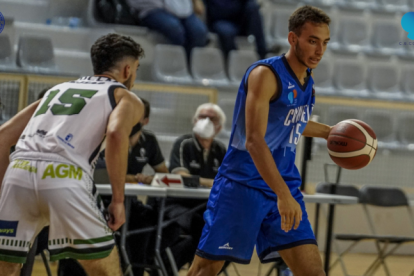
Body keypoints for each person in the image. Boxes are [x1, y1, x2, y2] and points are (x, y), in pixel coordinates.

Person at [187, 5, 331, 276]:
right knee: (204, 270)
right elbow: (254, 140)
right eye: (312, 41)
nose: (319, 50)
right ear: (293, 39)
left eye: (324, 43)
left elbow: (288, 124)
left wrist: (329, 132)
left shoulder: (307, 81)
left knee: (313, 272)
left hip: (283, 185)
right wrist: (283, 194)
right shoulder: (265, 74)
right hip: (243, 186)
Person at [0, 33, 145, 276]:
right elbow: (117, 134)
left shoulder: (56, 90)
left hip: (18, 174)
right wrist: (118, 200)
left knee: (5, 269)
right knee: (106, 269)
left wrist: (4, 190)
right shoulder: (124, 96)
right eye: (137, 69)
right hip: (64, 175)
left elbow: (3, 136)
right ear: (128, 70)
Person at [158, 103, 227, 271]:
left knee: (228, 229)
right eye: (202, 117)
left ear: (219, 127)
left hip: (207, 205)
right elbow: (181, 176)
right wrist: (210, 183)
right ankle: (188, 268)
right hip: (180, 204)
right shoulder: (184, 143)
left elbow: (227, 179)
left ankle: (206, 268)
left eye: (212, 118)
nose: (206, 121)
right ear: (195, 120)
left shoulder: (220, 149)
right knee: (201, 225)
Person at [97, 97, 168, 184]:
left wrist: (150, 179)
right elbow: (100, 175)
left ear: (145, 121)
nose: (129, 119)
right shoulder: (107, 137)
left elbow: (164, 174)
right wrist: (135, 178)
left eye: (135, 115)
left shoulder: (149, 140)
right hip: (105, 193)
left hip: (131, 194)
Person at [126, 0, 208, 57]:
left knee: (199, 31)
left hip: (181, 9)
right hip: (151, 8)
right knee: (174, 28)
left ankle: (190, 67)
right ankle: (175, 67)